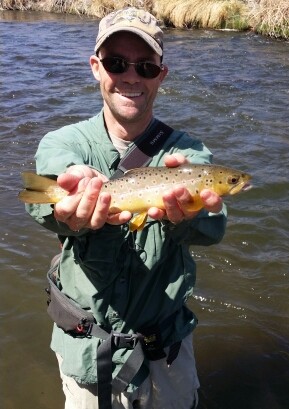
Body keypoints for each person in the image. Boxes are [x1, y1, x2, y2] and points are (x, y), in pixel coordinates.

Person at [26, 7, 227, 409]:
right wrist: (67, 201)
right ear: (96, 68)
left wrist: (190, 218)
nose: (131, 76)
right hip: (87, 353)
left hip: (165, 354)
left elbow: (213, 228)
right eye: (117, 63)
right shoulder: (63, 141)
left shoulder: (189, 154)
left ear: (161, 76)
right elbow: (47, 197)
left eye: (146, 67)